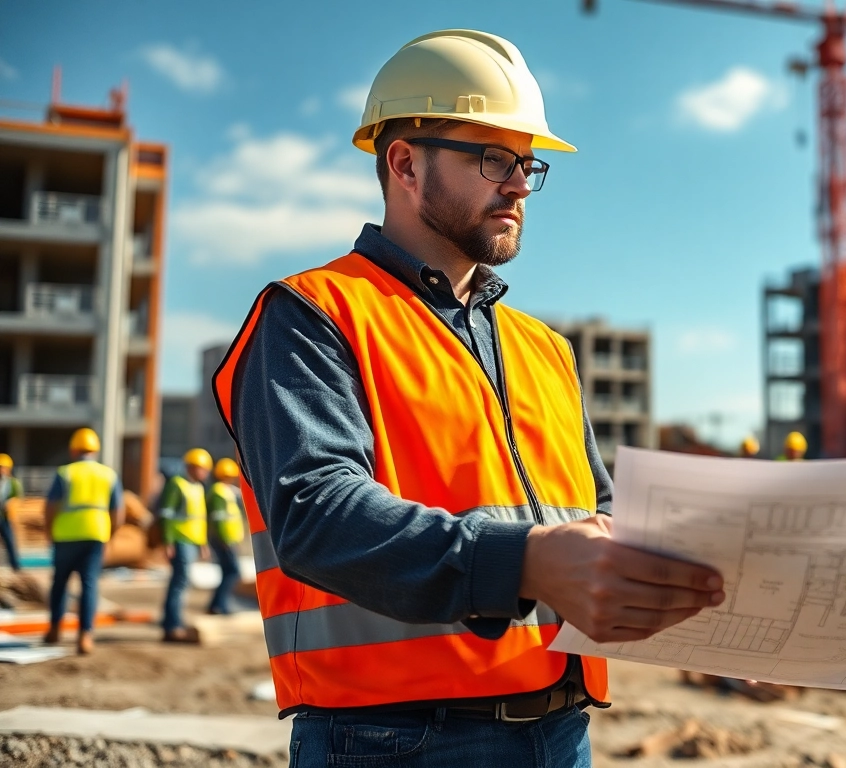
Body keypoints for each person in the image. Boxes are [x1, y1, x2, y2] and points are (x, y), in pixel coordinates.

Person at [210, 29, 724, 766]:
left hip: (562, 728)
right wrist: (526, 563)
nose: (518, 184)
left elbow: (596, 516)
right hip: (396, 738)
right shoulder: (313, 314)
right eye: (492, 158)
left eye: (526, 164)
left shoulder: (544, 348)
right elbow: (315, 513)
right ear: (405, 162)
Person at [44, 428, 123, 655]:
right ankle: (85, 636)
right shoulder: (108, 474)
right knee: (89, 585)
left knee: (59, 584)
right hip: (95, 535)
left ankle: (55, 629)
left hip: (66, 536)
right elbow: (118, 510)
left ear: (73, 450)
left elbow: (50, 506)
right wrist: (111, 534)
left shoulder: (65, 473)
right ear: (95, 451)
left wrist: (49, 531)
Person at [159, 448, 211, 642]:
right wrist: (168, 542)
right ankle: (172, 626)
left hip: (192, 541)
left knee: (182, 583)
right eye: (202, 468)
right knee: (179, 583)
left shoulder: (198, 488)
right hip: (180, 541)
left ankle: (172, 623)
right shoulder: (177, 484)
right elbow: (166, 515)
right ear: (191, 467)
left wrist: (203, 543)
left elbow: (199, 519)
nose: (205, 473)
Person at [205, 457, 244, 615]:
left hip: (228, 538)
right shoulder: (219, 492)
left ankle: (216, 605)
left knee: (228, 572)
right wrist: (225, 540)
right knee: (233, 572)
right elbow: (219, 519)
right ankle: (220, 605)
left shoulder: (226, 491)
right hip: (223, 539)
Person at [0, 453, 24, 570]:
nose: (1, 470)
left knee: (10, 542)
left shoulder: (13, 483)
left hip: (6, 518)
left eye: (3, 467)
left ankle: (15, 567)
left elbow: (19, 497)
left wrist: (12, 502)